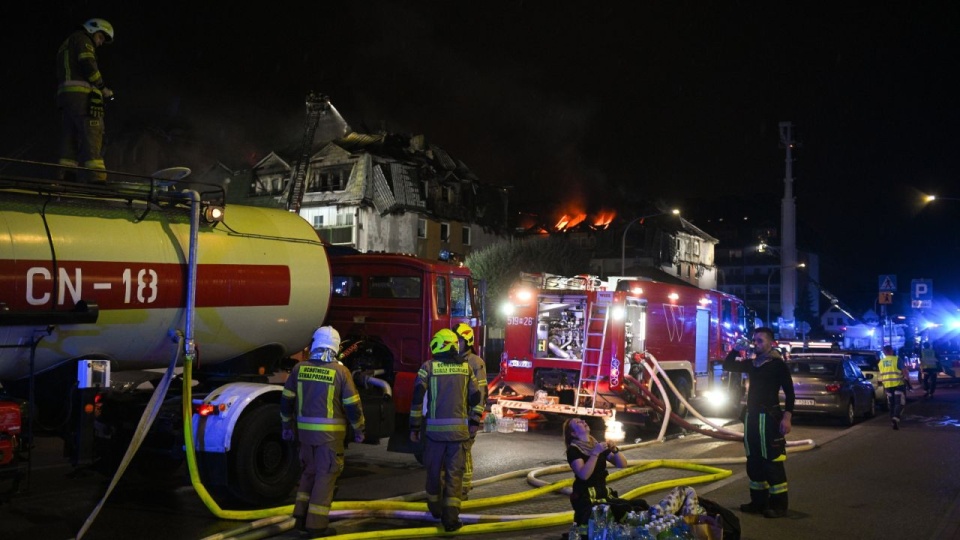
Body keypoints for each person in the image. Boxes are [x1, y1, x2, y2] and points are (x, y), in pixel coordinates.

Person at [280, 326, 365, 538]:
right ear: (335, 346)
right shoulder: (341, 372)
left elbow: (286, 401)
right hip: (329, 438)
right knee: (325, 477)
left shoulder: (299, 369)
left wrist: (286, 426)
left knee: (308, 474)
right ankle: (316, 525)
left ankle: (300, 517)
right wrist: (359, 428)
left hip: (304, 436)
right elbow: (352, 406)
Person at [410, 328, 483, 532]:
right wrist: (473, 418)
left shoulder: (428, 368)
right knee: (454, 475)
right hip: (459, 435)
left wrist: (414, 426)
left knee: (433, 472)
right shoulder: (466, 368)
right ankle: (451, 518)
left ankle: (435, 509)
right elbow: (476, 398)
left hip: (434, 434)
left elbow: (417, 399)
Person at [723, 327, 794, 519]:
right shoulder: (753, 364)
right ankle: (758, 502)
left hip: (770, 419)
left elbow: (790, 393)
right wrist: (736, 349)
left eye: (761, 340)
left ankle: (779, 506)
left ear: (771, 343)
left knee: (772, 461)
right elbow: (728, 365)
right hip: (752, 417)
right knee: (753, 461)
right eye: (755, 340)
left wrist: (787, 417)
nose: (756, 343)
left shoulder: (778, 365)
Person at [57, 18, 115, 183]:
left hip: (65, 98)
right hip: (81, 97)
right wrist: (103, 88)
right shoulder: (83, 40)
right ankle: (96, 179)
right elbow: (88, 64)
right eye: (100, 37)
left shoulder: (66, 44)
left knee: (70, 136)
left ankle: (67, 176)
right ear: (92, 29)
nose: (100, 43)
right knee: (93, 131)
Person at [563, 417, 632, 539]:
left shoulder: (596, 445)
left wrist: (615, 450)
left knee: (633, 506)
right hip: (585, 496)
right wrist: (595, 453)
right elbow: (584, 475)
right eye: (578, 422)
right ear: (573, 433)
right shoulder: (573, 451)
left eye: (583, 420)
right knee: (607, 516)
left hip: (602, 492)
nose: (584, 422)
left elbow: (622, 464)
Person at [454, 322, 487, 498]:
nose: (455, 344)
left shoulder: (475, 362)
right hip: (457, 415)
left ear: (466, 341)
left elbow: (481, 392)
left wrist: (475, 418)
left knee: (464, 451)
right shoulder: (455, 360)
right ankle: (456, 486)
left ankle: (464, 487)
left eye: (458, 340)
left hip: (468, 416)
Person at [878, 345, 909, 430]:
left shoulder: (881, 362)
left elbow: (882, 374)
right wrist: (907, 379)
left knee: (891, 403)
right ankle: (895, 418)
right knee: (899, 403)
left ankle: (892, 419)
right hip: (898, 384)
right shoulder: (897, 359)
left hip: (887, 385)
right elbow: (905, 372)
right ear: (892, 350)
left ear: (884, 352)